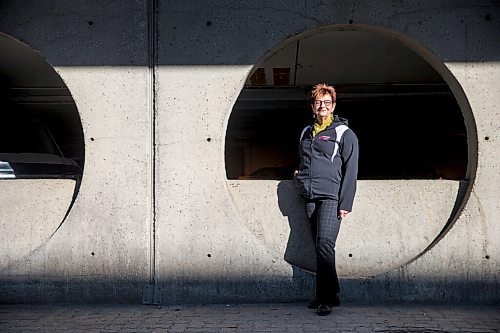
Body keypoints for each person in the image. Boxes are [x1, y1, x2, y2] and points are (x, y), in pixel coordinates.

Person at [294, 83, 359, 316]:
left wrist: (346, 203)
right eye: (318, 102)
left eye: (327, 102)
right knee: (320, 248)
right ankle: (332, 292)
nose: (323, 106)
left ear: (333, 106)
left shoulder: (343, 133)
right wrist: (299, 177)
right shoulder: (305, 132)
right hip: (309, 196)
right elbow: (303, 161)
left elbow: (351, 170)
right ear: (313, 106)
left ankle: (324, 300)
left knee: (324, 245)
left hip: (331, 196)